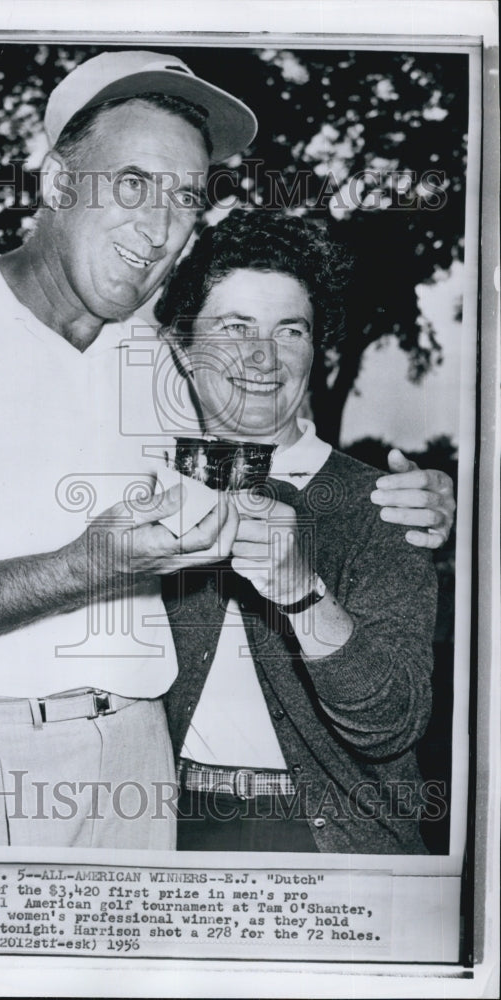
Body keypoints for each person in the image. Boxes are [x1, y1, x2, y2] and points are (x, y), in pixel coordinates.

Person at [0, 50, 455, 849]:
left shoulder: (158, 351)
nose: (158, 228)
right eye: (131, 184)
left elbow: (273, 433)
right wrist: (83, 567)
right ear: (55, 183)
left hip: (139, 767)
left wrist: (417, 497)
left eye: (186, 198)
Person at [154, 209, 440, 853]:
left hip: (331, 840)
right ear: (181, 345)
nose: (263, 356)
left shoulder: (383, 506)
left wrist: (300, 592)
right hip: (162, 831)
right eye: (234, 328)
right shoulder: (143, 491)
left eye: (291, 330)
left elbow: (392, 724)